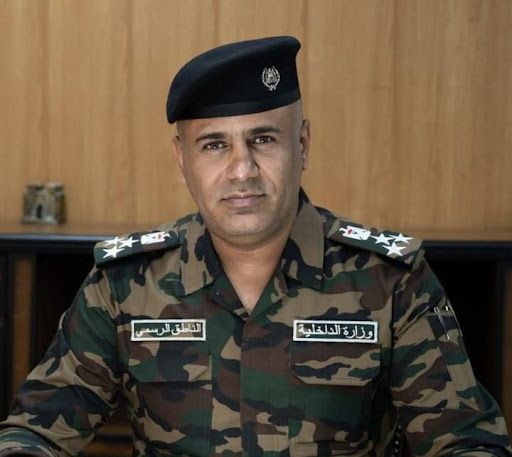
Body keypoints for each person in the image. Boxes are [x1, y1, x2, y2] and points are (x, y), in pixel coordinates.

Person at [0, 36, 510, 457]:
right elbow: (37, 429)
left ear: (302, 145)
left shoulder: (391, 279)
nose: (241, 170)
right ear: (182, 159)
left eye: (263, 139)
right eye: (214, 145)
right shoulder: (126, 282)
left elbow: (467, 440)